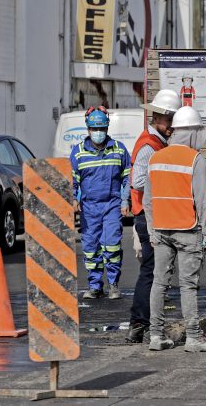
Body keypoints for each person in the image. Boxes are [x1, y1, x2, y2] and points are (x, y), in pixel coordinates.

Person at [144, 106, 206, 353]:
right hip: (188, 230)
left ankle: (156, 336)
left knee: (159, 283)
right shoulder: (194, 159)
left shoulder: (155, 158)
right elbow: (203, 200)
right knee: (188, 285)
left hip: (161, 230)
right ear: (193, 132)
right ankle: (194, 338)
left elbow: (148, 200)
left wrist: (152, 230)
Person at [127, 90, 181, 343]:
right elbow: (137, 181)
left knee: (153, 271)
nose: (172, 126)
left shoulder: (157, 142)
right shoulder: (149, 146)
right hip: (146, 217)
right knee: (151, 272)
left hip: (151, 215)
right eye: (169, 120)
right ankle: (140, 323)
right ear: (157, 117)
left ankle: (141, 324)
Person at [70, 106, 131, 300]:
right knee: (90, 247)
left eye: (102, 129)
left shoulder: (119, 149)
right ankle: (95, 285)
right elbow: (72, 179)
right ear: (88, 129)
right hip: (89, 208)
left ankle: (113, 284)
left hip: (112, 205)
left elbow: (127, 177)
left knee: (112, 245)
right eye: (95, 129)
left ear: (107, 128)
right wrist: (73, 198)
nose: (98, 133)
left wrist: (125, 200)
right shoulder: (78, 153)